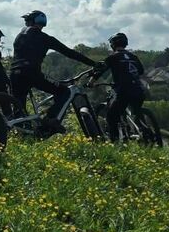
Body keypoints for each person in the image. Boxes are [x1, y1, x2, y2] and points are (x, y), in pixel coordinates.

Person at [10, 10, 98, 139]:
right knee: (64, 92)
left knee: (19, 107)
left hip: (14, 73)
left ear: (30, 21)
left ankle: (23, 134)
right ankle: (50, 118)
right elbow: (69, 52)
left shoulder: (19, 36)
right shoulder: (44, 38)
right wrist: (93, 64)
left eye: (26, 21)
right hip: (32, 73)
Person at [96, 32, 148, 143]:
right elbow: (141, 71)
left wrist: (90, 82)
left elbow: (100, 71)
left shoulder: (112, 57)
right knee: (136, 111)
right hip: (139, 89)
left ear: (113, 45)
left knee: (111, 116)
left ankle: (114, 143)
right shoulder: (134, 57)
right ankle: (145, 130)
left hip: (124, 91)